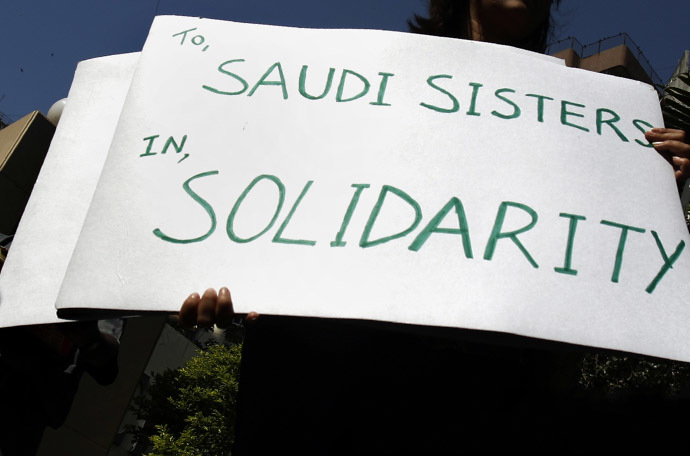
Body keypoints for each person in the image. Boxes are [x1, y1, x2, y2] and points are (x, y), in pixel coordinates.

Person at [178, 1, 690, 453]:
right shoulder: (368, 79)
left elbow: (591, 245)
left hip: (497, 394)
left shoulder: (585, 115)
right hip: (339, 381)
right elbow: (301, 189)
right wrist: (228, 276)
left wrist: (649, 178)